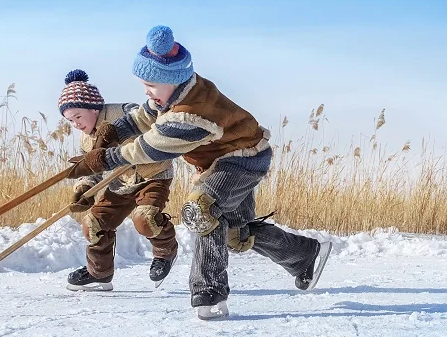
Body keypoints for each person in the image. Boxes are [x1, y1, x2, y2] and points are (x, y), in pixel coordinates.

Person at [66, 27, 331, 318]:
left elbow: (149, 148)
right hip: (222, 160)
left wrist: (103, 159)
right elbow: (144, 115)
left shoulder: (191, 115)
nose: (146, 91)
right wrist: (113, 130)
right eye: (144, 84)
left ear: (170, 80)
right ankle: (305, 254)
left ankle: (210, 292)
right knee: (235, 234)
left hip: (241, 160)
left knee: (201, 209)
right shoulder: (175, 91)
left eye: (150, 84)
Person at [59, 69, 177, 291]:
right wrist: (84, 190)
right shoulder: (86, 139)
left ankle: (165, 252)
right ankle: (99, 273)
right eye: (69, 120)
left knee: (144, 219)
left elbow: (143, 116)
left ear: (93, 107)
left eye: (78, 116)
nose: (75, 124)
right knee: (92, 224)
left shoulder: (119, 112)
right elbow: (94, 171)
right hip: (120, 183)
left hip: (152, 175)